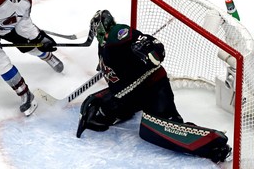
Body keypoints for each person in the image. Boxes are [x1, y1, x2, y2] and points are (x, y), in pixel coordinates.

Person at [76, 10, 232, 163]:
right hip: (128, 94)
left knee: (164, 126)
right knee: (100, 112)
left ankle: (213, 145)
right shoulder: (103, 46)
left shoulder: (118, 33)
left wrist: (149, 48)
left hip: (152, 87)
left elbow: (153, 47)